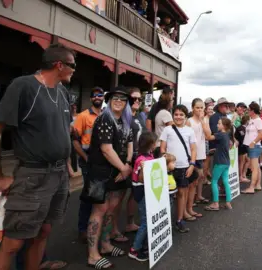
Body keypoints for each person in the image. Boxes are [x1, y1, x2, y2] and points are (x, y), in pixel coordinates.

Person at [0, 43, 75, 270]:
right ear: (58, 65)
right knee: (14, 242)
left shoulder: (63, 92)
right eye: (72, 65)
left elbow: (64, 131)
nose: (74, 70)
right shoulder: (23, 86)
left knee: (43, 232)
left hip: (59, 174)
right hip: (33, 175)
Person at [82, 86, 134, 269]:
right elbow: (106, 148)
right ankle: (93, 255)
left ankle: (104, 244)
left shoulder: (126, 121)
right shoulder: (105, 118)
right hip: (101, 172)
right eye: (115, 98)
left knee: (112, 209)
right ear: (109, 101)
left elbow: (130, 143)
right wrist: (124, 168)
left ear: (126, 103)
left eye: (122, 98)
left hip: (118, 171)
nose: (118, 101)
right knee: (99, 210)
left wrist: (126, 164)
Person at [159, 105, 198, 233]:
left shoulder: (189, 131)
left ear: (185, 116)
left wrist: (192, 164)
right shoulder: (167, 130)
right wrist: (165, 161)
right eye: (176, 114)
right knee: (165, 195)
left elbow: (193, 149)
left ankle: (179, 220)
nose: (178, 117)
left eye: (181, 114)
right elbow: (162, 148)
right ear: (173, 115)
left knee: (181, 194)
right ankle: (163, 222)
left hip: (184, 167)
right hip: (169, 168)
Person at [73, 86, 104, 243]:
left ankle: (95, 227)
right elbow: (75, 141)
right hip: (88, 161)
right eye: (95, 95)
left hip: (103, 162)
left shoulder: (106, 115)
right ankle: (82, 229)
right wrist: (85, 157)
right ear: (91, 98)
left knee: (100, 195)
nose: (98, 97)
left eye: (100, 95)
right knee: (88, 196)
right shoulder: (82, 116)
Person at [128, 131, 157, 262]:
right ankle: (135, 249)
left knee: (148, 219)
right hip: (142, 193)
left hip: (146, 192)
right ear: (150, 144)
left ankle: (144, 244)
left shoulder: (148, 156)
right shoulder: (142, 160)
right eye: (155, 142)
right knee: (145, 221)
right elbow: (141, 179)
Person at [203, 117, 235, 210]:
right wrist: (216, 150)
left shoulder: (221, 134)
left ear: (224, 126)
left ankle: (215, 203)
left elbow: (208, 137)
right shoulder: (227, 135)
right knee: (225, 181)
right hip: (226, 162)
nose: (217, 125)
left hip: (219, 162)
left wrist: (203, 123)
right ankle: (228, 202)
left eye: (219, 123)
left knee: (214, 181)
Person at [241, 102, 262, 194]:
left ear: (253, 111)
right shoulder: (252, 120)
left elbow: (261, 133)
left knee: (254, 168)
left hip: (254, 146)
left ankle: (251, 187)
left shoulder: (258, 120)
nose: (247, 111)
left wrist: (253, 142)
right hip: (252, 145)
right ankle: (258, 184)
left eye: (249, 110)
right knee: (257, 167)